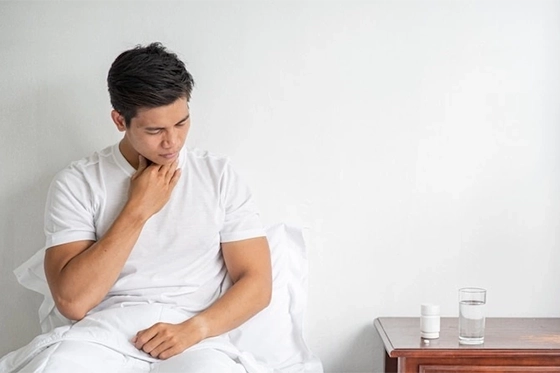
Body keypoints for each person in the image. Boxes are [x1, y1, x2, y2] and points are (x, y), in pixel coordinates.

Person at [23, 42, 272, 372]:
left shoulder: (218, 175)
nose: (172, 142)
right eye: (155, 130)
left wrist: (195, 330)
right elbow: (73, 301)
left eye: (181, 123)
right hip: (100, 335)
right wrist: (138, 209)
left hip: (193, 336)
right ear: (119, 120)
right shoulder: (77, 181)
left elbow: (257, 282)